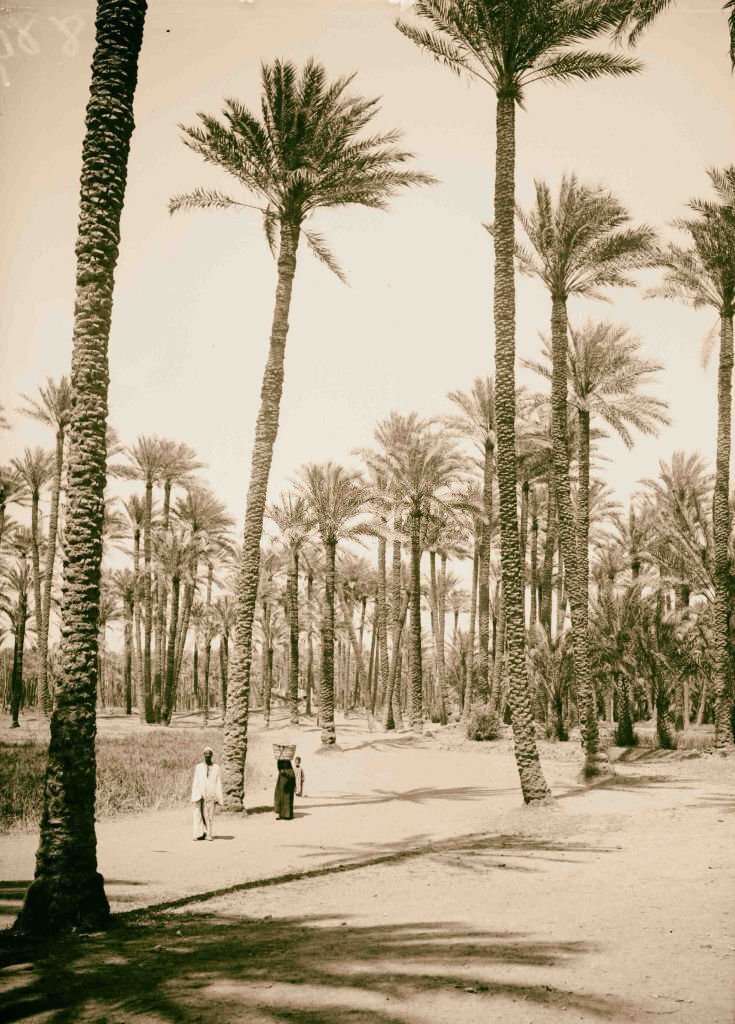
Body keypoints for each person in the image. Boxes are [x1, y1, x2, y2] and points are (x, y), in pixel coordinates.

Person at [191, 746, 223, 841]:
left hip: (211, 794)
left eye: (209, 754)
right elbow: (196, 781)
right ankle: (199, 833)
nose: (207, 756)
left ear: (211, 755)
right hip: (200, 793)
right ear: (203, 755)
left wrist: (218, 796)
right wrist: (196, 794)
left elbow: (218, 782)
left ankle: (209, 834)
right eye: (205, 754)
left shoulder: (216, 768)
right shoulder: (199, 767)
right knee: (199, 814)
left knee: (210, 815)